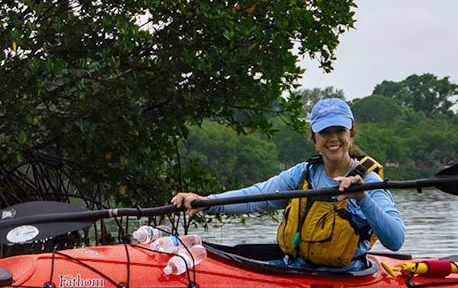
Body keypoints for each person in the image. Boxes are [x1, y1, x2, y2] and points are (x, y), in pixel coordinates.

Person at [170, 98, 405, 271]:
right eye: (325, 132)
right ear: (315, 139)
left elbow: (395, 241)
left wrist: (361, 197)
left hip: (344, 280)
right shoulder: (303, 175)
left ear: (351, 134)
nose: (333, 138)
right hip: (294, 269)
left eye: (339, 131)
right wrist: (205, 202)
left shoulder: (369, 181)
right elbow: (255, 197)